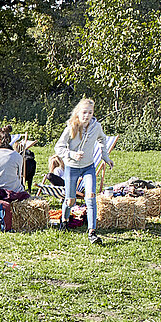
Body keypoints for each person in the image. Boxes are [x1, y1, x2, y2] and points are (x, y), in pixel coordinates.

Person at [54, 97, 113, 243]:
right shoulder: (71, 127)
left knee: (91, 197)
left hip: (88, 167)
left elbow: (102, 140)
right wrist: (71, 154)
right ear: (78, 113)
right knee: (70, 200)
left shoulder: (96, 127)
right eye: (84, 112)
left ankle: (92, 232)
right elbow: (58, 147)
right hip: (72, 167)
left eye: (90, 113)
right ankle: (65, 220)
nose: (87, 116)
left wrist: (105, 156)